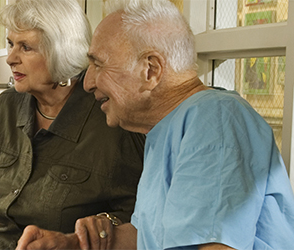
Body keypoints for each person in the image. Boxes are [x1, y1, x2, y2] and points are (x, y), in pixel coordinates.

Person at [16, 0, 294, 249]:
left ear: (151, 70)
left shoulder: (216, 120)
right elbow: (148, 236)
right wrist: (72, 244)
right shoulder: (164, 129)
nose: (87, 83)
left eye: (98, 65)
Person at [0, 0, 145, 249]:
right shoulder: (5, 107)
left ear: (62, 52)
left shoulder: (110, 120)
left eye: (26, 47)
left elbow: (138, 216)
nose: (11, 58)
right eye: (10, 44)